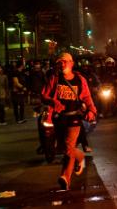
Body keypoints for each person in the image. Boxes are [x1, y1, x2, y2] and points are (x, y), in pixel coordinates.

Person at [41, 53, 96, 190]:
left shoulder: (79, 79)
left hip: (74, 117)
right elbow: (43, 95)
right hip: (59, 118)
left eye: (65, 62)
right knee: (66, 148)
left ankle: (65, 177)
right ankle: (80, 157)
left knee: (68, 147)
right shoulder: (54, 78)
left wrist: (92, 111)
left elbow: (87, 97)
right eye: (60, 62)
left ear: (71, 63)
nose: (62, 64)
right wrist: (53, 102)